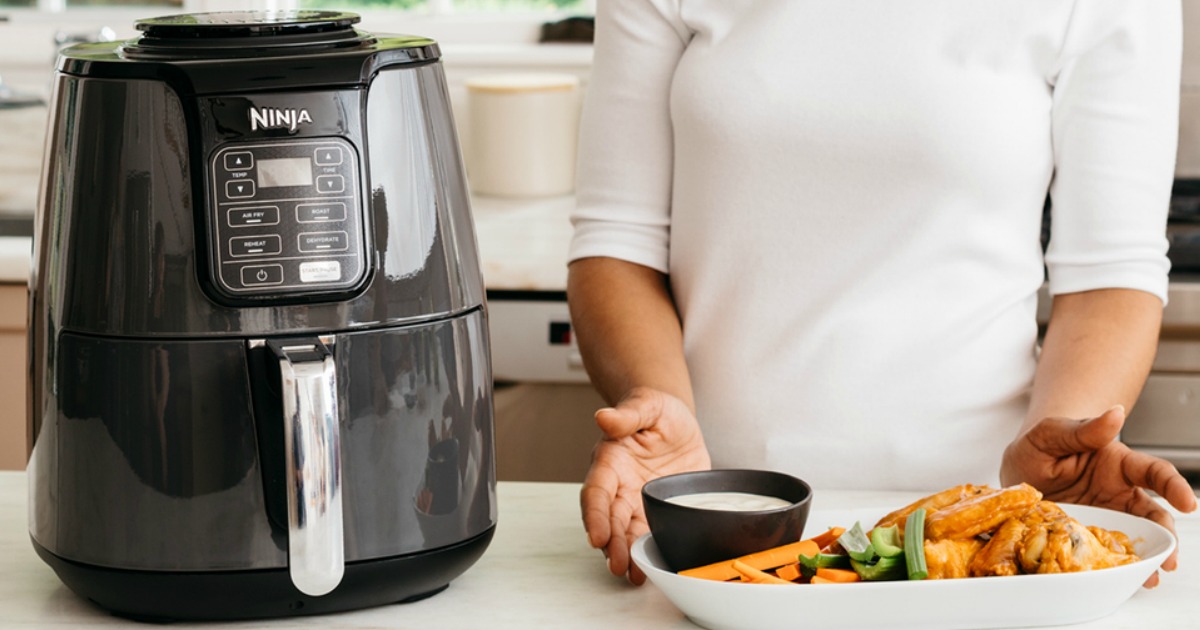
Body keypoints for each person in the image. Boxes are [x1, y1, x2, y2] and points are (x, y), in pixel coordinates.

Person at [566, 0, 1199, 586]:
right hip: (720, 522)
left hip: (977, 546)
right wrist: (658, 407)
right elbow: (618, 243)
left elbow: (1109, 272)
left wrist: (1060, 460)